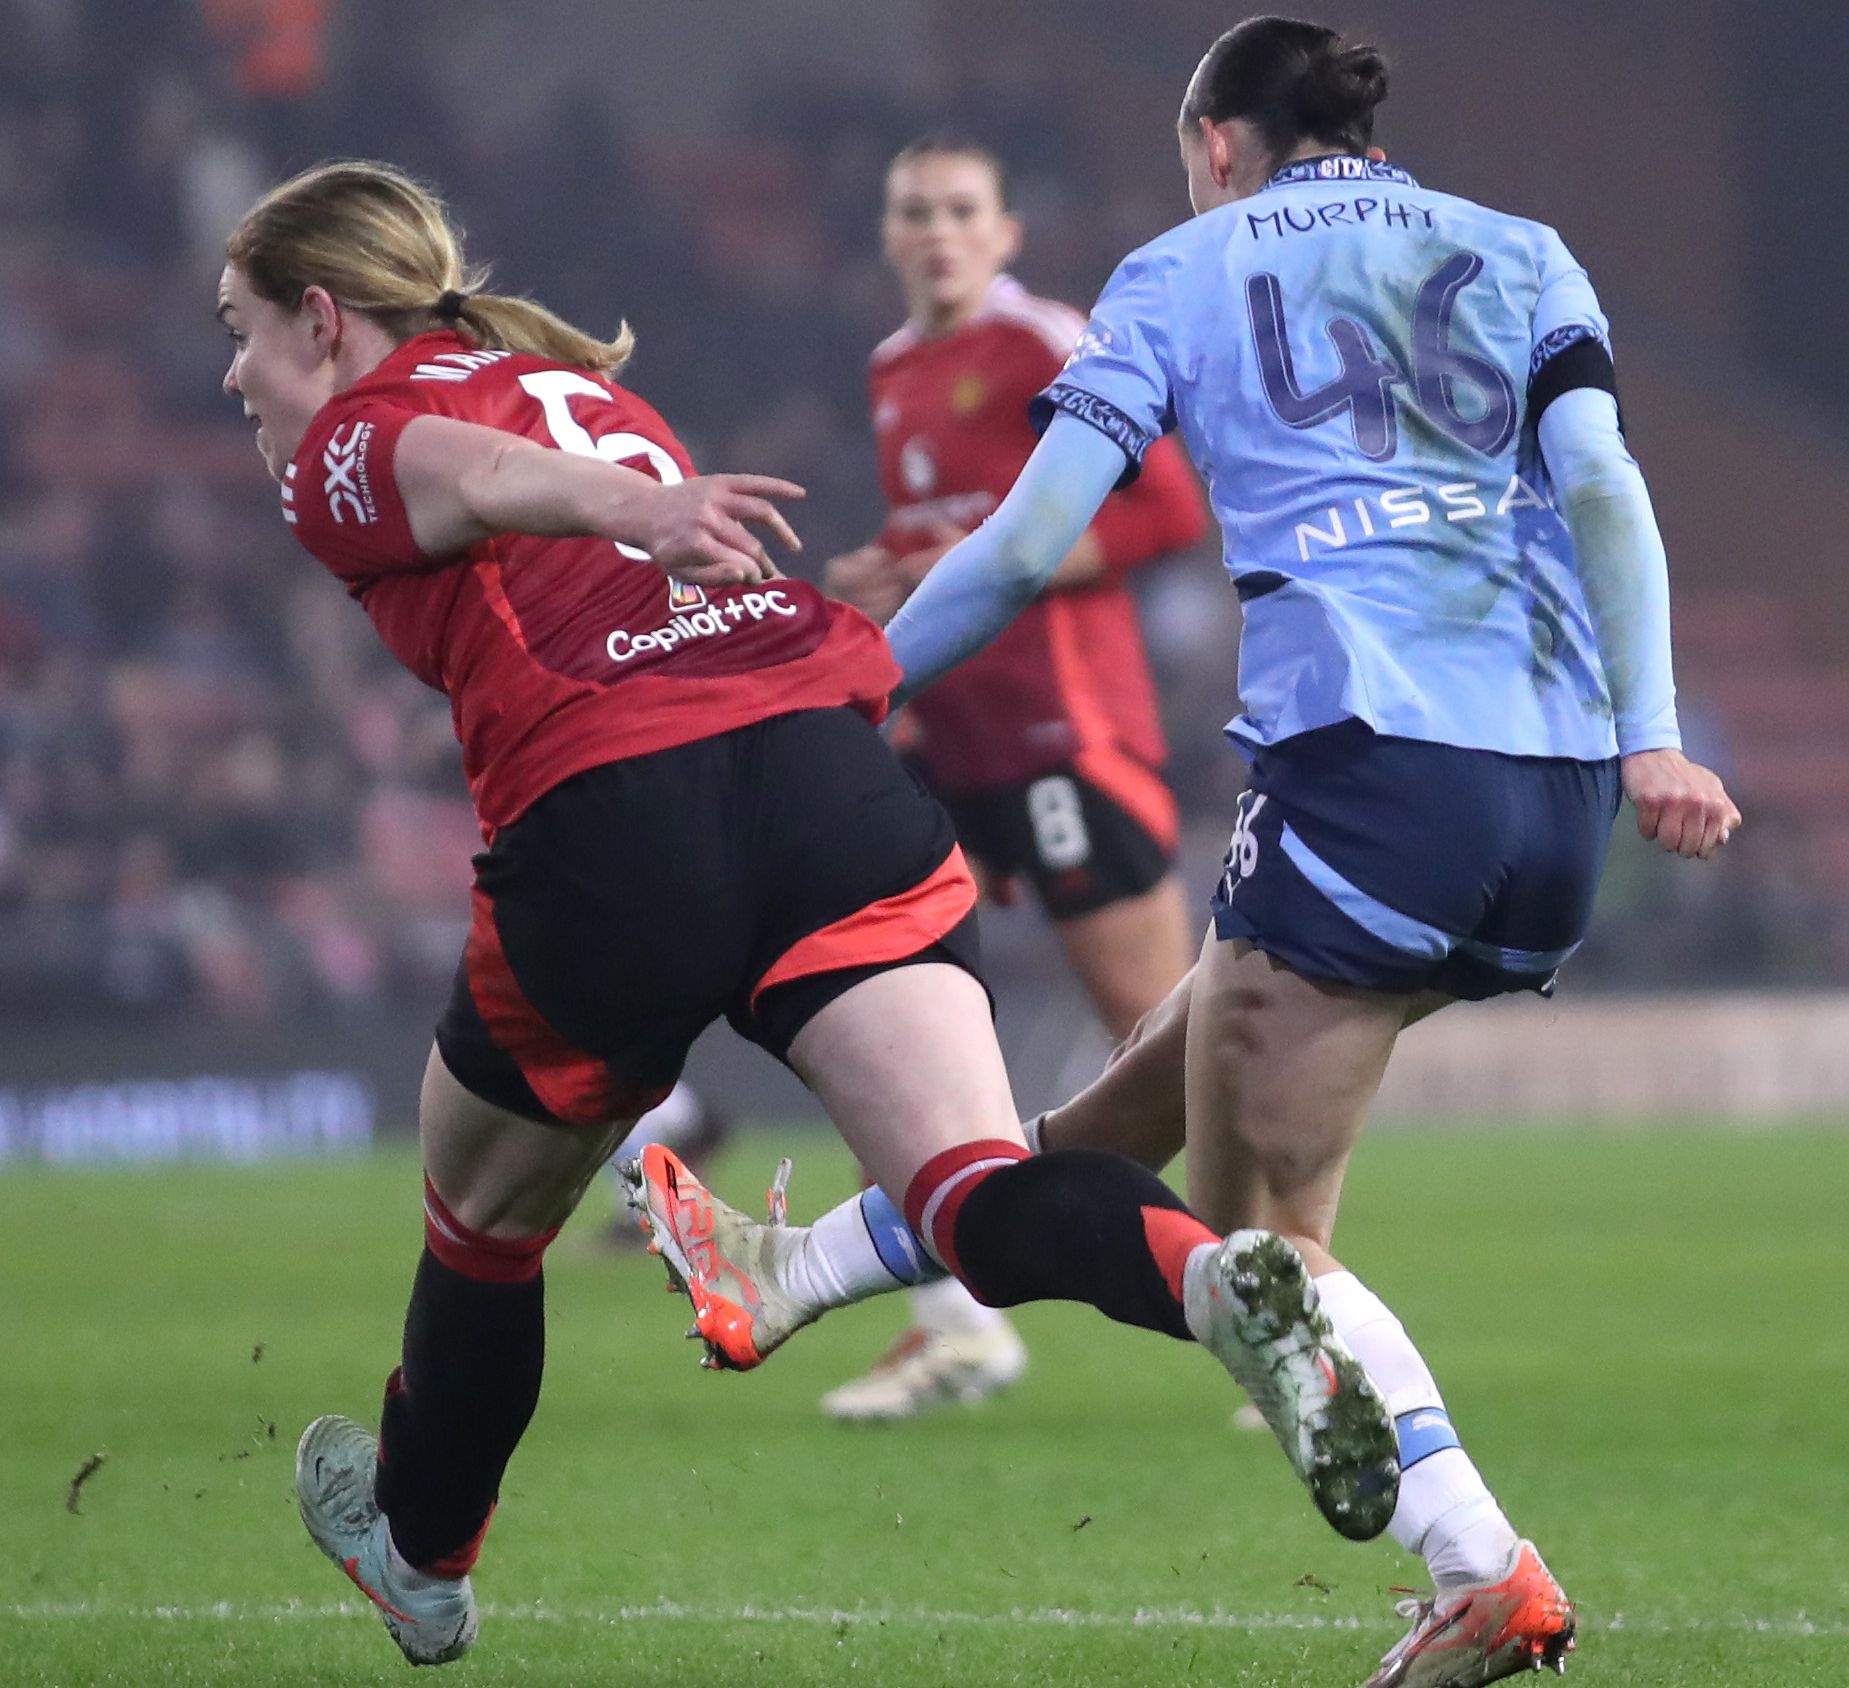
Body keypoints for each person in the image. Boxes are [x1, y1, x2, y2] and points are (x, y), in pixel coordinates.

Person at [645, 21, 1741, 1687]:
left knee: (1247, 1263)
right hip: (1558, 802)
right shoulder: (1523, 252)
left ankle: (1481, 1571)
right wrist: (1655, 732)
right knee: (1101, 1132)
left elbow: (1024, 548)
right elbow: (1603, 483)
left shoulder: (1177, 269)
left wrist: (839, 688)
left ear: (1214, 140)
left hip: (1370, 775)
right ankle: (785, 1273)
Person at [221, 158, 1396, 1670]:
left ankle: (423, 1555)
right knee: (968, 1183)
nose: (233, 372)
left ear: (321, 319)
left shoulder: (348, 438)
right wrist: (646, 497)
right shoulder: (557, 375)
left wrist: (632, 510)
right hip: (822, 770)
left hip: (617, 816)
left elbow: (462, 473)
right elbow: (507, 466)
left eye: (240, 328)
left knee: (485, 1219)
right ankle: (1215, 1286)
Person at [813, 131, 1212, 1423]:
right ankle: (958, 1323)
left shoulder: (1043, 342)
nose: (935, 231)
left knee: (1171, 1040)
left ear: (1003, 234)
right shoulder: (891, 371)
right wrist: (884, 579)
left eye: (959, 210)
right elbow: (934, 537)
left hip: (1065, 736)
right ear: (884, 232)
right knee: (892, 1016)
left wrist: (996, 560)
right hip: (950, 745)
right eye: (911, 209)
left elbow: (1163, 512)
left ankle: (1296, 1299)